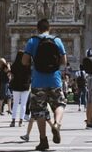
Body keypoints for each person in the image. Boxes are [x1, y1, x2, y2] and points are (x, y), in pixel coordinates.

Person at [24, 18, 67, 151]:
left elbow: (25, 61)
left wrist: (33, 63)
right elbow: (64, 61)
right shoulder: (56, 40)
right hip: (55, 80)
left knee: (39, 111)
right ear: (50, 28)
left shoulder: (32, 41)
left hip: (38, 81)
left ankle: (43, 140)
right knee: (59, 104)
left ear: (38, 29)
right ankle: (57, 124)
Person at [10, 50, 32, 128]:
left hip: (16, 86)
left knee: (15, 103)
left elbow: (11, 75)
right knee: (23, 104)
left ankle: (13, 121)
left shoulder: (14, 65)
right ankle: (21, 121)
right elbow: (30, 75)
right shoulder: (27, 65)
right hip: (25, 86)